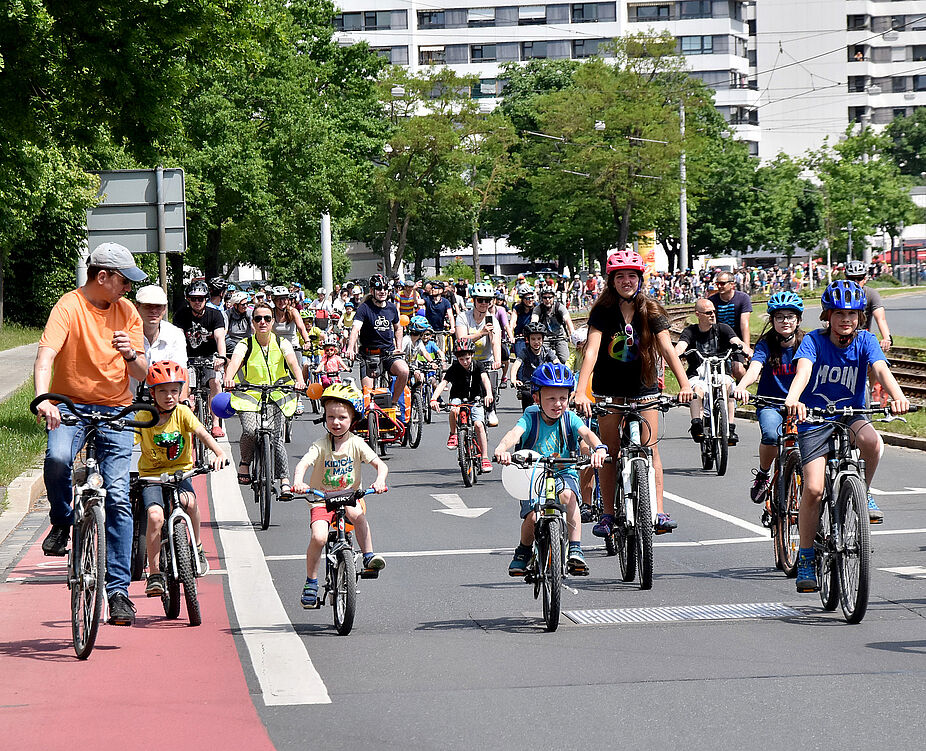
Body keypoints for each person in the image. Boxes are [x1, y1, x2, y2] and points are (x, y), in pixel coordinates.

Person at [34, 242, 149, 626]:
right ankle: (63, 519)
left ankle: (117, 592)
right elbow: (46, 356)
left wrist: (130, 355)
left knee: (117, 495)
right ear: (102, 277)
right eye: (124, 281)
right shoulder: (68, 306)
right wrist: (42, 400)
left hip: (116, 408)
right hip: (69, 405)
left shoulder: (127, 312)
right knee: (59, 459)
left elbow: (143, 375)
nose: (128, 289)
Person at [785, 281, 911, 592]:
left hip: (852, 414)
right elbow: (803, 372)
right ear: (828, 315)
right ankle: (806, 557)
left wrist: (898, 396)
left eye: (853, 314)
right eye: (839, 313)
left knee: (871, 442)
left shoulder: (867, 340)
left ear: (860, 317)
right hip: (814, 418)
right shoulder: (814, 341)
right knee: (813, 489)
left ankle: (862, 491)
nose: (846, 319)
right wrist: (794, 398)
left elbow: (881, 370)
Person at [574, 249, 693, 536]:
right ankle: (608, 514)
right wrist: (581, 391)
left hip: (643, 388)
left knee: (650, 450)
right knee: (609, 451)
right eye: (620, 276)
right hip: (609, 389)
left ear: (640, 279)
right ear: (611, 280)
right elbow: (591, 351)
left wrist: (685, 384)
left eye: (631, 276)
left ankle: (659, 510)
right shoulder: (602, 312)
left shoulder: (651, 310)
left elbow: (667, 348)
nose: (626, 281)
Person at [494, 363, 605, 576]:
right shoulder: (531, 416)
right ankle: (523, 551)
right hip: (532, 473)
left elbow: (586, 434)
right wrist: (502, 448)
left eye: (563, 398)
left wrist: (598, 448)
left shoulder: (570, 417)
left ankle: (575, 548)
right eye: (551, 399)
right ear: (537, 398)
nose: (558, 404)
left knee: (569, 497)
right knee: (534, 518)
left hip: (564, 471)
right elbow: (515, 433)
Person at [292, 383, 388, 608]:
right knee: (319, 538)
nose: (335, 422)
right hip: (321, 499)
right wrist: (298, 482)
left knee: (360, 518)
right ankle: (311, 582)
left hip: (349, 497)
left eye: (342, 417)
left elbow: (380, 465)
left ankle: (368, 556)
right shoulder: (320, 445)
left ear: (352, 419)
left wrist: (380, 480)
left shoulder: (357, 443)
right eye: (330, 417)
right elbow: (303, 464)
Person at [136, 361, 227, 596]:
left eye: (174, 390)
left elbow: (202, 433)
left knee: (190, 503)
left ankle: (196, 546)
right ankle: (154, 574)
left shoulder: (183, 412)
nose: (169, 396)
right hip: (152, 476)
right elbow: (128, 442)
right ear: (152, 392)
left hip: (180, 473)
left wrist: (219, 453)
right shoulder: (144, 416)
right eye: (163, 391)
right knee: (155, 517)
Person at [224, 302, 306, 496]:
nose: (263, 322)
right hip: (249, 395)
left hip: (276, 394)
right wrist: (228, 378)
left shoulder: (281, 342)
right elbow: (235, 361)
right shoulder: (246, 344)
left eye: (267, 318)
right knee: (250, 431)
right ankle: (245, 463)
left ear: (272, 322)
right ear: (253, 322)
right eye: (258, 318)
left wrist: (300, 380)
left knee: (276, 437)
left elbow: (293, 362)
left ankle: (284, 480)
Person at [733, 291, 804, 504]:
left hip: (801, 404)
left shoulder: (807, 342)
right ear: (772, 320)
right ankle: (764, 474)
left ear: (798, 320)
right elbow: (754, 369)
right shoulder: (766, 344)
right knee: (772, 436)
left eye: (790, 316)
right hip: (770, 404)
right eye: (779, 317)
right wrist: (742, 386)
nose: (785, 321)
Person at [674, 298, 751, 446]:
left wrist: (746, 350)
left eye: (714, 312)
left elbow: (736, 341)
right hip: (698, 374)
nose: (713, 315)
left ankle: (730, 427)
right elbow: (681, 345)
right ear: (698, 314)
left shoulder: (722, 328)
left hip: (720, 371)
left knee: (729, 386)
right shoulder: (690, 331)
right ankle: (696, 423)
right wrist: (677, 353)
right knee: (697, 390)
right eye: (708, 312)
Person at [347, 274, 410, 417]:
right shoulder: (364, 308)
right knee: (368, 396)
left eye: (385, 288)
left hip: (388, 353)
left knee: (404, 371)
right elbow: (355, 329)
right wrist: (350, 348)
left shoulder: (392, 308)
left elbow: (398, 328)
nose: (382, 291)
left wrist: (398, 346)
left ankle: (393, 404)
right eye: (378, 288)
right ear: (371, 290)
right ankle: (371, 423)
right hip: (369, 355)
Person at [173, 280, 227, 438]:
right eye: (193, 298)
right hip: (188, 357)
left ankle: (215, 423)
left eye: (201, 298)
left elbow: (220, 338)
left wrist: (221, 357)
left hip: (210, 357)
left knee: (215, 382)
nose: (197, 302)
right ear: (188, 299)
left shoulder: (215, 315)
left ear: (206, 299)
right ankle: (186, 421)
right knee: (185, 388)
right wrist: (178, 358)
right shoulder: (181, 314)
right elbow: (178, 338)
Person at [429, 339, 494, 472]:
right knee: (454, 410)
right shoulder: (454, 368)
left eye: (467, 358)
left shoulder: (478, 365)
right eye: (461, 359)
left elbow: (485, 379)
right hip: (458, 398)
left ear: (472, 356)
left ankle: (485, 458)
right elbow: (443, 383)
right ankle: (453, 434)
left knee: (479, 425)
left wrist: (488, 394)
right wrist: (434, 398)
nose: (465, 362)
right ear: (457, 359)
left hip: (476, 398)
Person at [455, 281, 502, 426]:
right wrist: (481, 333)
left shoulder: (492, 320)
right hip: (466, 359)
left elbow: (495, 342)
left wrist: (497, 360)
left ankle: (490, 409)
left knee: (490, 385)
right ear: (474, 300)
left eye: (487, 300)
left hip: (485, 359)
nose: (483, 303)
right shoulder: (463, 317)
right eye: (480, 300)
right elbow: (461, 339)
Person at [133, 284, 188, 399]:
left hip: (164, 403)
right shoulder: (126, 333)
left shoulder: (175, 334)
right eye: (148, 306)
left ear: (164, 309)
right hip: (129, 401)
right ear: (137, 307)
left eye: (158, 306)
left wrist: (182, 401)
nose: (153, 311)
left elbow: (182, 370)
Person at [707, 270, 753, 379]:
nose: (719, 286)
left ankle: (742, 389)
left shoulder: (743, 298)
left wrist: (746, 347)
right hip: (718, 341)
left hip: (737, 340)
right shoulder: (712, 301)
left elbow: (744, 324)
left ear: (732, 284)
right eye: (717, 284)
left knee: (738, 369)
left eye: (722, 283)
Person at [510, 321, 557, 409]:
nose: (536, 342)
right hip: (529, 383)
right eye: (533, 339)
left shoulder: (547, 351)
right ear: (528, 340)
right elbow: (516, 365)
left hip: (544, 382)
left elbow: (557, 363)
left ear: (543, 339)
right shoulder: (525, 352)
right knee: (526, 395)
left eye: (539, 339)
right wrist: (513, 379)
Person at [532, 286, 574, 363]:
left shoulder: (559, 307)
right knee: (540, 360)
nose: (547, 300)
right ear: (542, 298)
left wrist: (572, 334)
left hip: (559, 337)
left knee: (565, 360)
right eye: (545, 297)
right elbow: (534, 320)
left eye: (550, 297)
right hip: (545, 338)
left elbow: (568, 320)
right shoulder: (538, 308)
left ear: (553, 297)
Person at [423, 281, 455, 355]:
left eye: (435, 288)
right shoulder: (428, 299)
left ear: (441, 290)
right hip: (428, 328)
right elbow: (418, 302)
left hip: (440, 329)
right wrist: (414, 290)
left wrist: (452, 327)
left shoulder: (445, 302)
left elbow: (450, 315)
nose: (433, 289)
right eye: (432, 288)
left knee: (441, 350)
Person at [508, 285, 537, 362]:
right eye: (527, 298)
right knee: (520, 360)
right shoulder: (517, 308)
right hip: (520, 336)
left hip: (533, 335)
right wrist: (510, 335)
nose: (530, 300)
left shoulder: (536, 307)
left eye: (532, 298)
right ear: (522, 299)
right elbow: (512, 322)